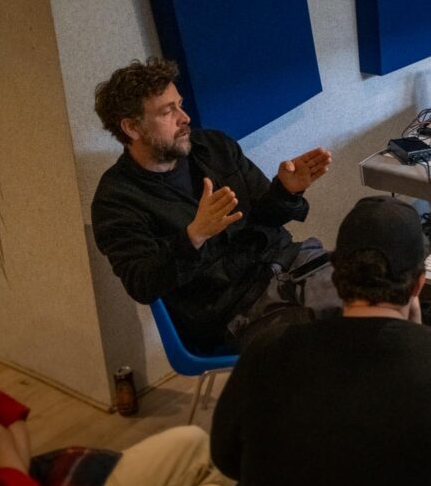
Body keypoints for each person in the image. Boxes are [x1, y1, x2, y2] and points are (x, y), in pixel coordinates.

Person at [210, 196, 431, 486]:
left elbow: (227, 458)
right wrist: (420, 336)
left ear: (335, 274)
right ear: (418, 285)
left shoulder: (267, 351)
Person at [91, 58, 339, 352]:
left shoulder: (214, 147)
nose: (185, 118)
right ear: (132, 127)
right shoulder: (117, 200)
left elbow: (266, 216)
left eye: (180, 105)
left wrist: (286, 190)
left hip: (290, 263)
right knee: (333, 340)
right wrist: (194, 236)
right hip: (234, 310)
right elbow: (142, 283)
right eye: (168, 112)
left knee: (377, 292)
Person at [0, 389, 230, 486]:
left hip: (62, 477)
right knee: (195, 442)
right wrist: (17, 473)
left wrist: (17, 473)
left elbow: (11, 415)